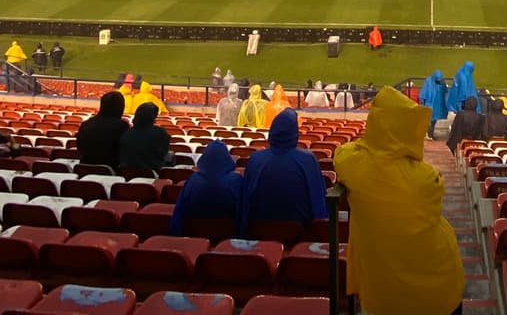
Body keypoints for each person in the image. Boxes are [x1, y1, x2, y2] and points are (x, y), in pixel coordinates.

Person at [334, 86, 466, 315]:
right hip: (439, 291)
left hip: (383, 298)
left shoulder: (353, 164)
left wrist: (373, 142)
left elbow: (343, 152)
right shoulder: (427, 178)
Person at [239, 108, 328, 236]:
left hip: (260, 235)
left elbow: (246, 205)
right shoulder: (307, 160)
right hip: (300, 236)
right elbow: (318, 204)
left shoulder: (256, 159)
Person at [169, 140, 242, 235]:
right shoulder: (235, 181)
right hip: (228, 238)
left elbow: (179, 212)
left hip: (194, 237)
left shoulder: (193, 180)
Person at [76, 91, 129, 169]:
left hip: (85, 170)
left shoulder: (86, 124)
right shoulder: (122, 126)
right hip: (111, 172)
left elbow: (80, 148)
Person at [119, 102, 171, 172]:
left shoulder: (127, 133)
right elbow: (164, 152)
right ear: (153, 117)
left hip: (128, 173)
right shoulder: (160, 132)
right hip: (153, 172)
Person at [418, 70, 449, 139]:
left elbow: (445, 91)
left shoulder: (441, 82)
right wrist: (422, 103)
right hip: (430, 104)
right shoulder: (428, 82)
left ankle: (430, 134)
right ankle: (429, 134)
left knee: (434, 121)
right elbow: (423, 93)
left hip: (437, 104)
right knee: (430, 120)